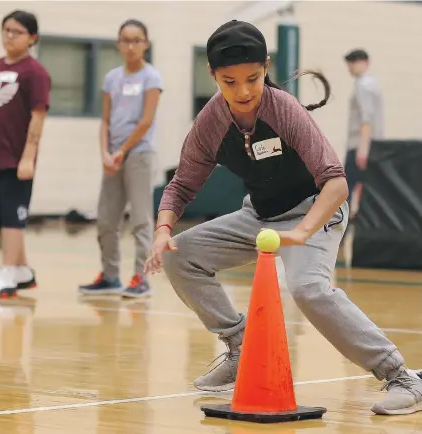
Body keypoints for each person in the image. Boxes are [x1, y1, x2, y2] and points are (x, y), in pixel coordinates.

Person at [145, 20, 422, 416]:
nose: (242, 92)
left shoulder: (285, 110)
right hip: (259, 215)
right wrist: (162, 231)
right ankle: (242, 346)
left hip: (315, 210)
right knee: (179, 255)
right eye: (229, 82)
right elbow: (180, 186)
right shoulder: (210, 123)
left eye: (252, 79)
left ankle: (402, 376)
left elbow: (336, 183)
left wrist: (303, 231)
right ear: (212, 76)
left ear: (266, 67)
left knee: (308, 288)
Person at [0, 10, 51, 298]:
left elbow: (38, 116)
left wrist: (28, 156)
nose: (9, 36)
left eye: (16, 32)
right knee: (3, 213)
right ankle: (23, 271)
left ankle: (7, 272)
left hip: (17, 159)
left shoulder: (35, 73)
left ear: (32, 38)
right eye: (6, 30)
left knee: (13, 217)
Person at [79, 19, 163, 298]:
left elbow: (145, 121)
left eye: (137, 40)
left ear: (146, 44)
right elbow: (104, 120)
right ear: (118, 43)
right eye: (125, 40)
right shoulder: (112, 78)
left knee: (140, 219)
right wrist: (105, 153)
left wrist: (122, 151)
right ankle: (110, 276)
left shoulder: (151, 78)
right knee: (106, 219)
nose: (130, 46)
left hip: (138, 154)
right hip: (112, 157)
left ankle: (141, 277)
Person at [344, 49, 384, 219]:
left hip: (360, 147)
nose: (351, 66)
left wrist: (362, 150)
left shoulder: (363, 86)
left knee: (348, 192)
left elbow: (366, 120)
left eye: (355, 61)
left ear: (365, 63)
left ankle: (342, 238)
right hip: (369, 146)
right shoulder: (371, 84)